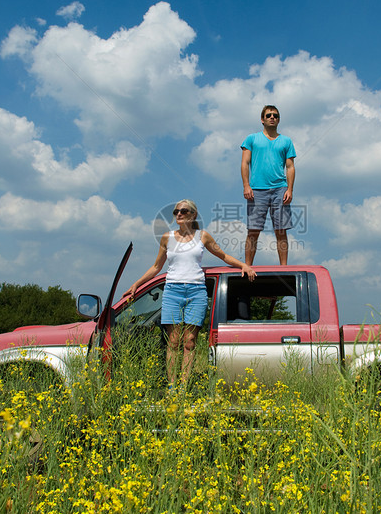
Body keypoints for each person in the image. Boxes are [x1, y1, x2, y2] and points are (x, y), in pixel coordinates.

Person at [123, 199, 256, 390]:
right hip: (173, 291)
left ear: (193, 215)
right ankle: (172, 387)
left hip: (196, 291)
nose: (178, 214)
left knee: (190, 342)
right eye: (176, 211)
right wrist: (136, 283)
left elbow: (224, 256)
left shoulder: (203, 236)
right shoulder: (167, 237)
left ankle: (183, 387)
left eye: (183, 211)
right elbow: (156, 267)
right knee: (174, 341)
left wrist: (244, 265)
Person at [241, 105, 297, 265]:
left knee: (281, 230)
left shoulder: (286, 141)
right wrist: (246, 185)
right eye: (268, 115)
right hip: (256, 190)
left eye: (275, 115)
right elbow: (245, 163)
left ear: (279, 119)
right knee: (253, 231)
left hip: (280, 189)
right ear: (262, 119)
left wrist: (290, 189)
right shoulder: (251, 139)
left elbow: (290, 166)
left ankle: (284, 267)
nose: (272, 117)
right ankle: (247, 266)